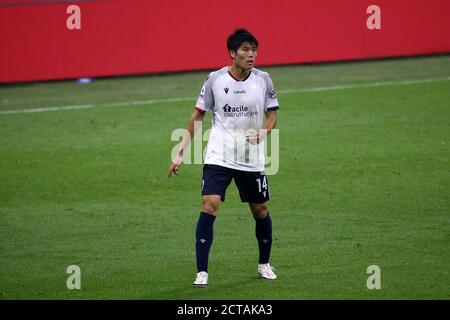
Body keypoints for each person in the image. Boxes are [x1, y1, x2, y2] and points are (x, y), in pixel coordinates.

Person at [168, 28, 279, 286]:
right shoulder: (214, 80)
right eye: (245, 50)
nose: (251, 55)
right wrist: (181, 149)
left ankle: (264, 264)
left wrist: (263, 132)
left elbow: (272, 114)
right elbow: (198, 115)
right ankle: (202, 272)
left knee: (260, 210)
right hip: (219, 154)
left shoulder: (264, 80)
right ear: (232, 53)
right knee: (210, 204)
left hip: (250, 157)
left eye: (254, 50)